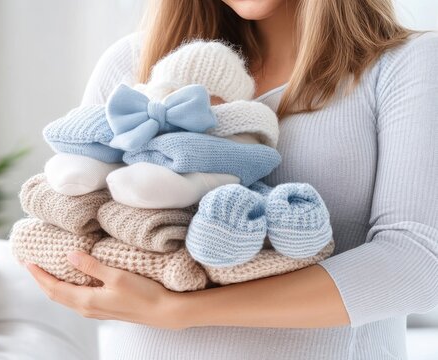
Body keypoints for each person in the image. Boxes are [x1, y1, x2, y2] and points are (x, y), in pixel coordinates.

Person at [26, 0, 438, 358]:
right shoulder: (131, 63)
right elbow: (77, 217)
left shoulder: (408, 64)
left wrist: (181, 311)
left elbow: (420, 264)